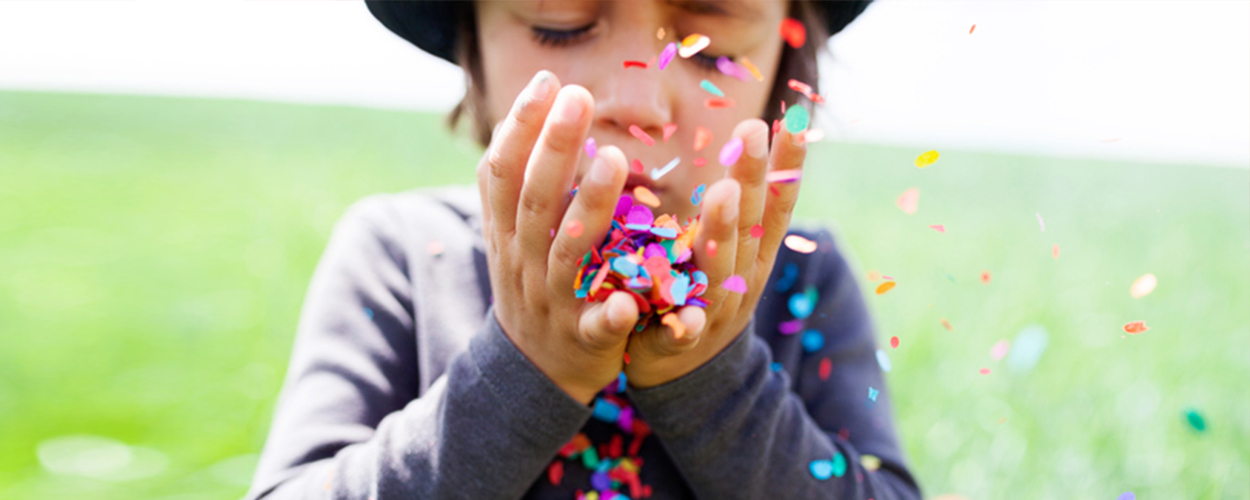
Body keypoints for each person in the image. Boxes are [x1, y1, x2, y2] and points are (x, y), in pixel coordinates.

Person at [246, 1, 921, 499]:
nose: (638, 99)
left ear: (783, 69)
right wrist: (528, 372)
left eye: (710, 42)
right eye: (558, 23)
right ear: (471, 53)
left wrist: (714, 384)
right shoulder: (401, 257)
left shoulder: (808, 274)